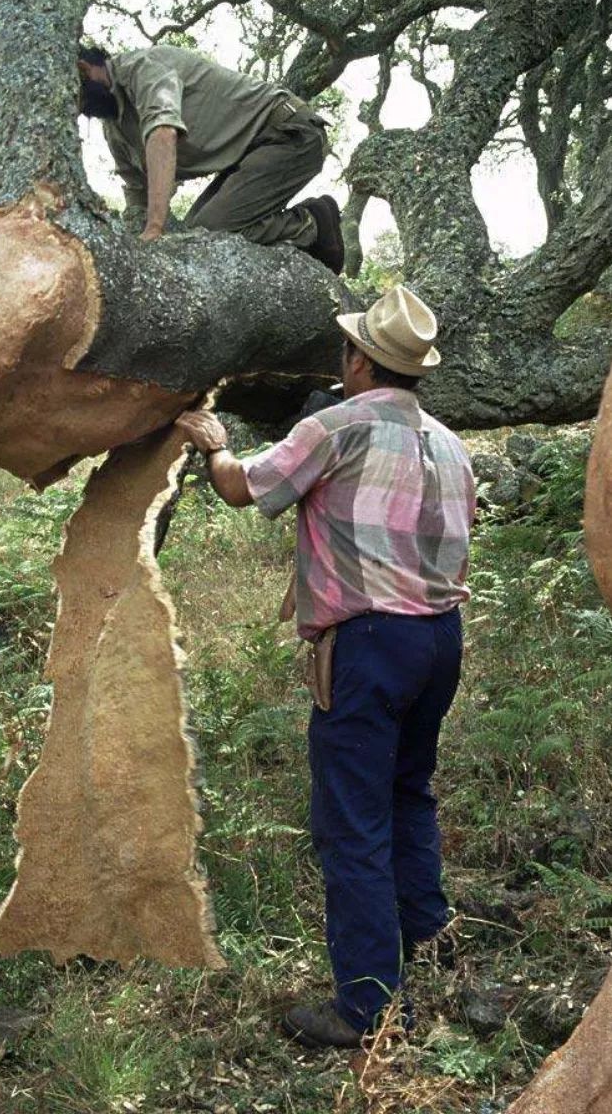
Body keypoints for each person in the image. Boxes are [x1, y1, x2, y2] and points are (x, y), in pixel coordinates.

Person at [175, 286, 475, 1049]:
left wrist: (214, 444)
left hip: (371, 644)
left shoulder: (336, 425)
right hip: (440, 639)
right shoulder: (449, 441)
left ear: (360, 360)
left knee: (353, 823)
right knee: (409, 794)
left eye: (348, 350)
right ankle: (436, 952)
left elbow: (244, 489)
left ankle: (370, 1007)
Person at [78, 43, 344, 272]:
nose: (81, 109)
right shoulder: (115, 129)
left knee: (212, 234)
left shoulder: (141, 67)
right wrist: (134, 251)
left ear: (84, 69)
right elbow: (137, 192)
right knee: (193, 236)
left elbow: (163, 133)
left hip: (288, 132)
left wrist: (155, 228)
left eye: (78, 97)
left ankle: (311, 223)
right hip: (248, 156)